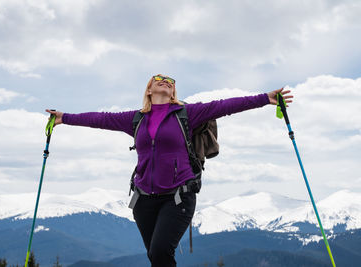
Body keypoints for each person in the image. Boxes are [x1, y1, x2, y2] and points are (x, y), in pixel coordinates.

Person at [46, 74, 293, 267]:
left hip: (179, 195)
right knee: (156, 256)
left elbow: (225, 105)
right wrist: (64, 118)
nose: (165, 82)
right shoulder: (136, 119)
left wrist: (265, 98)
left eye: (170, 82)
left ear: (173, 91)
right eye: (159, 79)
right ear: (149, 90)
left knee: (162, 250)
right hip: (143, 199)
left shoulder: (187, 114)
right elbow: (100, 119)